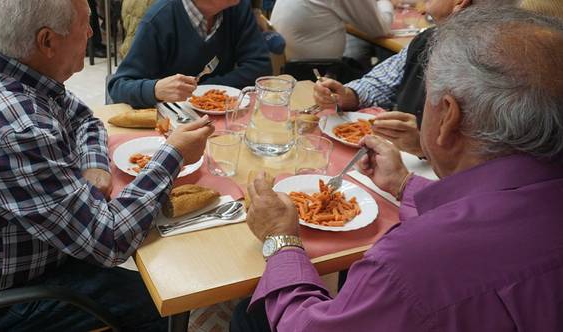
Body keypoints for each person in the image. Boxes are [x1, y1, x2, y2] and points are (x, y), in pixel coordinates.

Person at [231, 6, 563, 331]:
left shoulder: (412, 262)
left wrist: (281, 239)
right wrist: (404, 184)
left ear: (448, 117)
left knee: (250, 316)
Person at [0, 0, 214, 330]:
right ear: (47, 41)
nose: (90, 32)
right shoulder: (16, 130)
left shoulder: (2, 67)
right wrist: (171, 155)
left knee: (155, 263)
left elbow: (84, 119)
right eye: (84, 24)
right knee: (167, 303)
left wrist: (95, 166)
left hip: (15, 260)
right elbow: (110, 240)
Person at [313, 0, 520, 157]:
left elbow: (495, 160)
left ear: (460, 3)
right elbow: (381, 82)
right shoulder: (430, 38)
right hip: (390, 165)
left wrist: (425, 145)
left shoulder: (499, 68)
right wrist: (349, 95)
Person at [108, 0, 272, 108]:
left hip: (223, 120)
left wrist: (204, 93)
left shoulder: (238, 8)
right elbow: (118, 86)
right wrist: (155, 89)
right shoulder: (159, 19)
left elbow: (260, 67)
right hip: (170, 128)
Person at [270, 0, 394, 60]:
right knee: (391, 63)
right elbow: (379, 29)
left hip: (287, 66)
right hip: (318, 75)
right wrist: (385, 2)